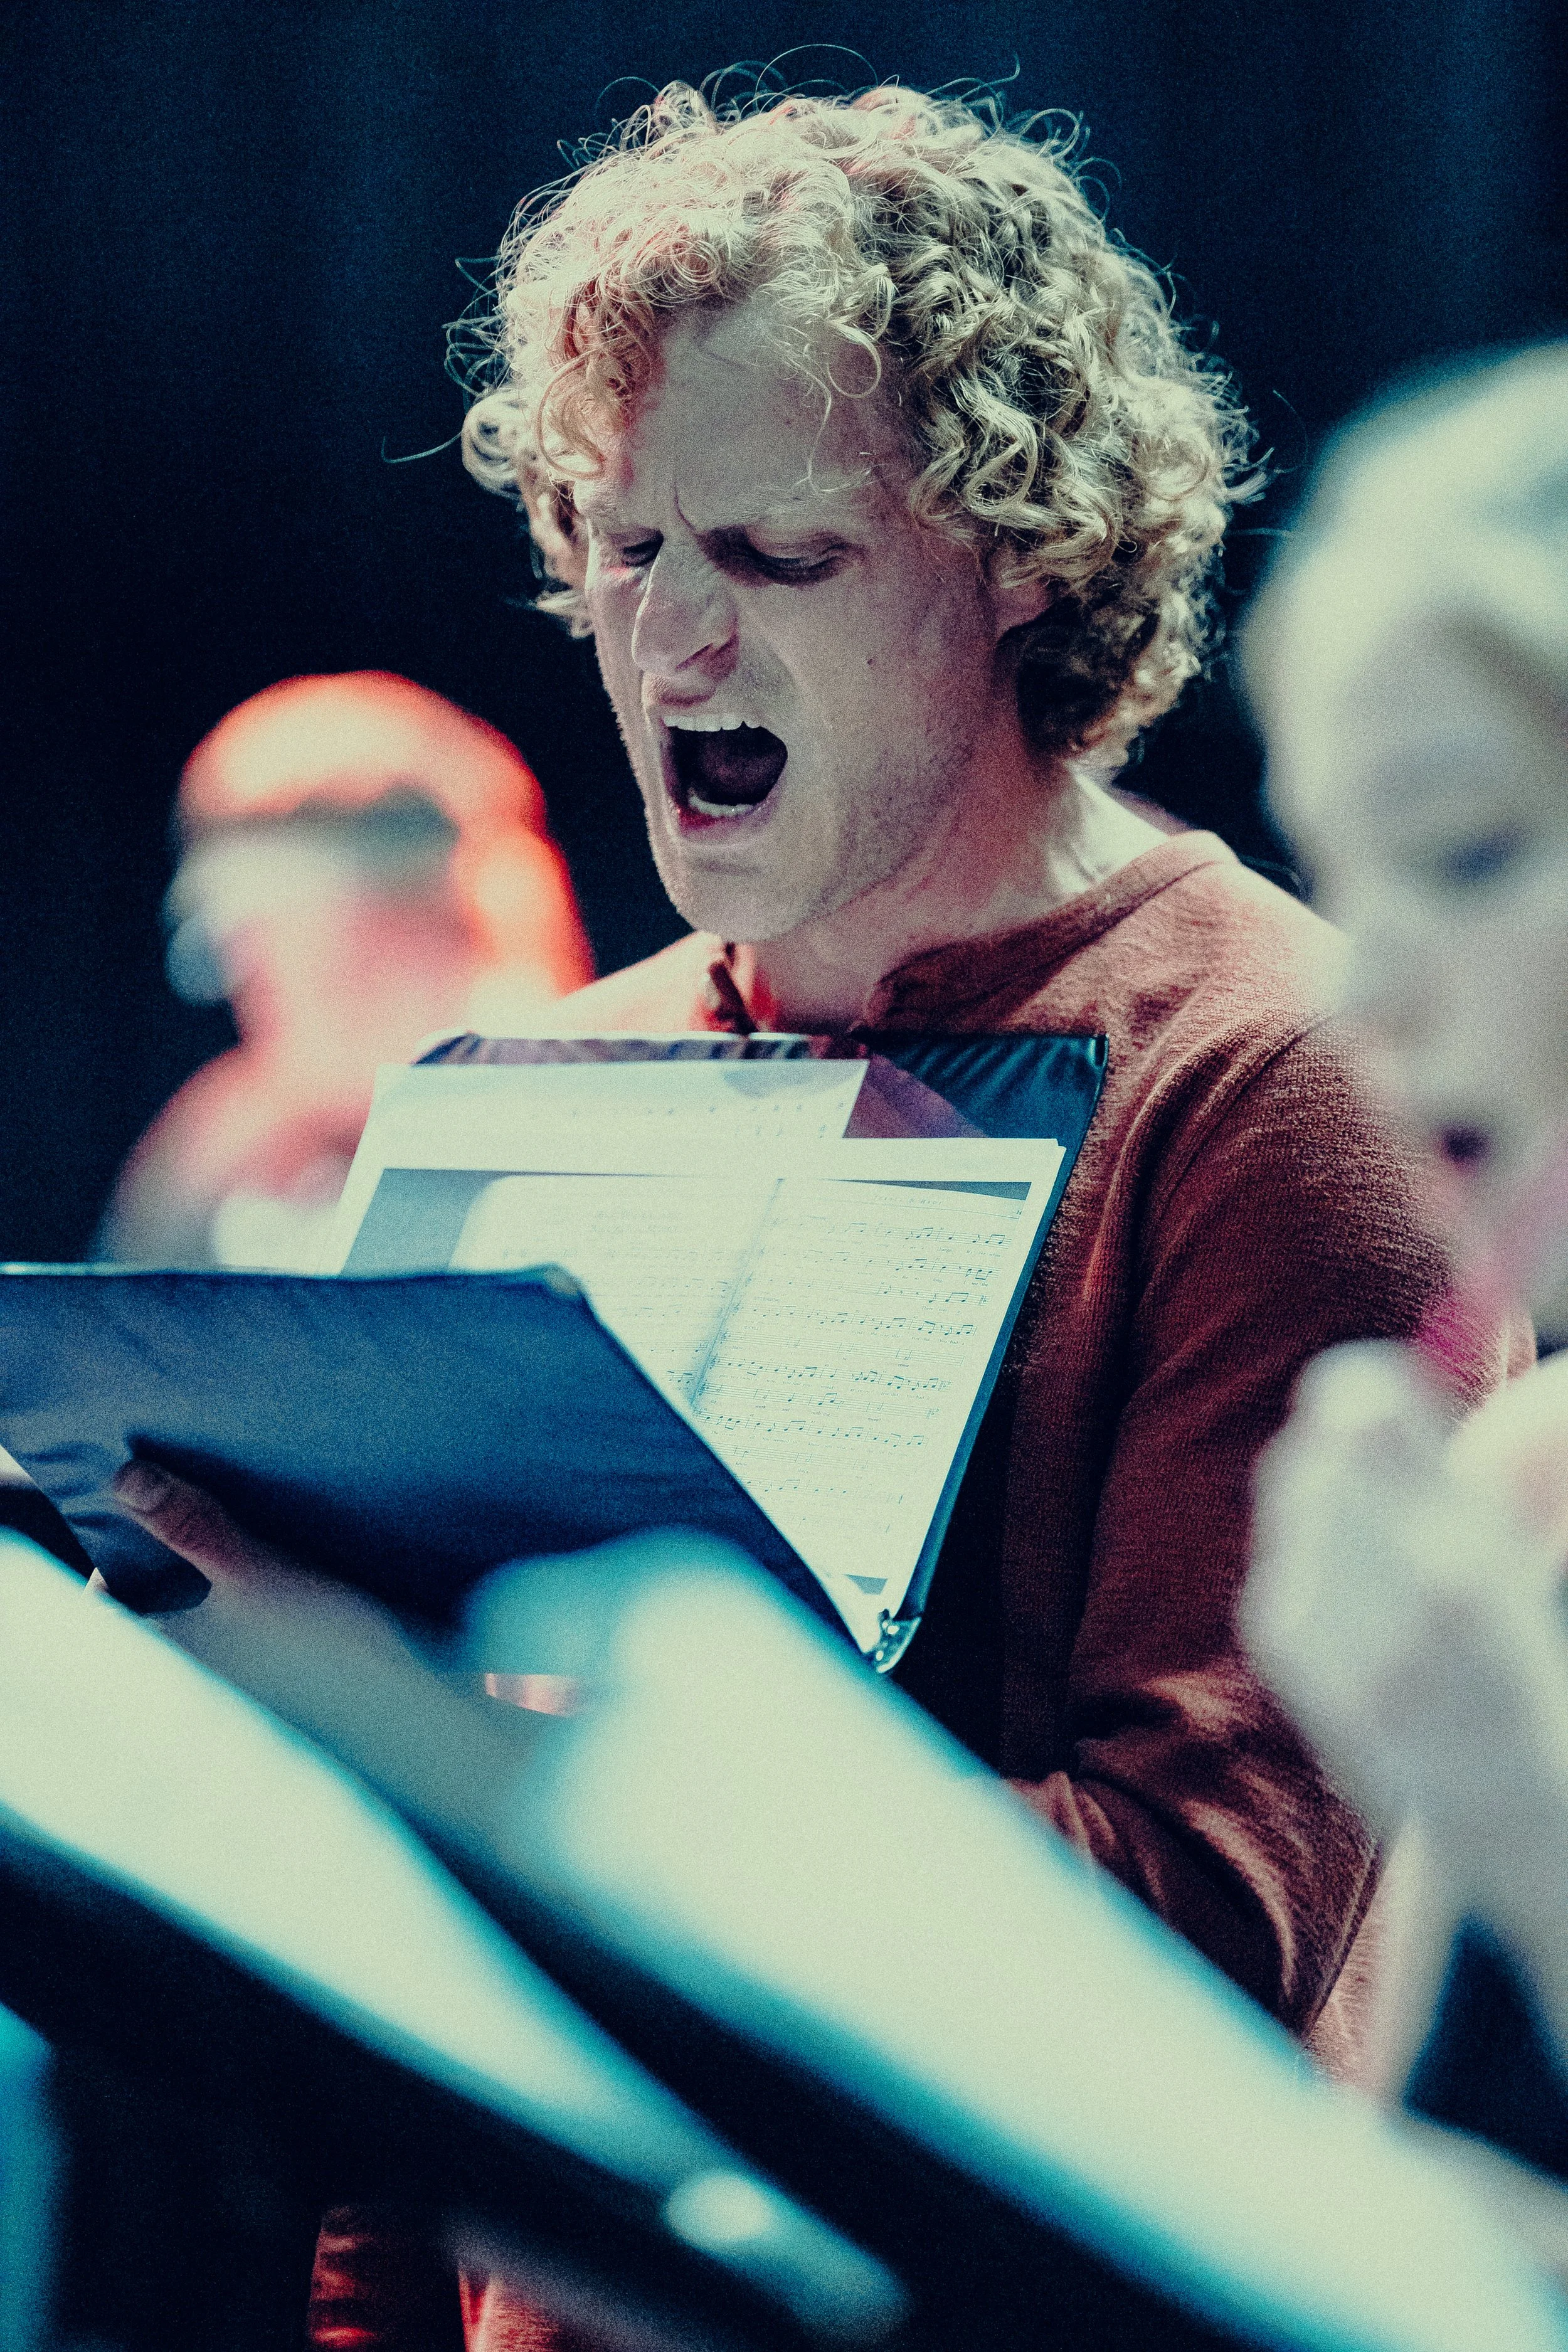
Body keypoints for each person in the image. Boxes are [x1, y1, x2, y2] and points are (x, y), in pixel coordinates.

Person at [120, 79, 1520, 2349]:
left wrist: (466, 1736)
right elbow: (386, 2060)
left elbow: (1190, 1947)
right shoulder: (541, 1078)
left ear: (1020, 556)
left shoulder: (1287, 1073)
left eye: (774, 556)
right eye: (619, 541)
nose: (666, 644)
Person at [1239, 343, 1568, 2126]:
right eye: (1330, 871)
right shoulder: (1524, 1483)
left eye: (1456, 852)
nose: (1359, 981)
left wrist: (1532, 1810)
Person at [102, 671, 593, 1269]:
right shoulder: (224, 1149)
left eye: (249, 931)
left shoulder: (583, 1137)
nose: (242, 982)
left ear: (404, 932)